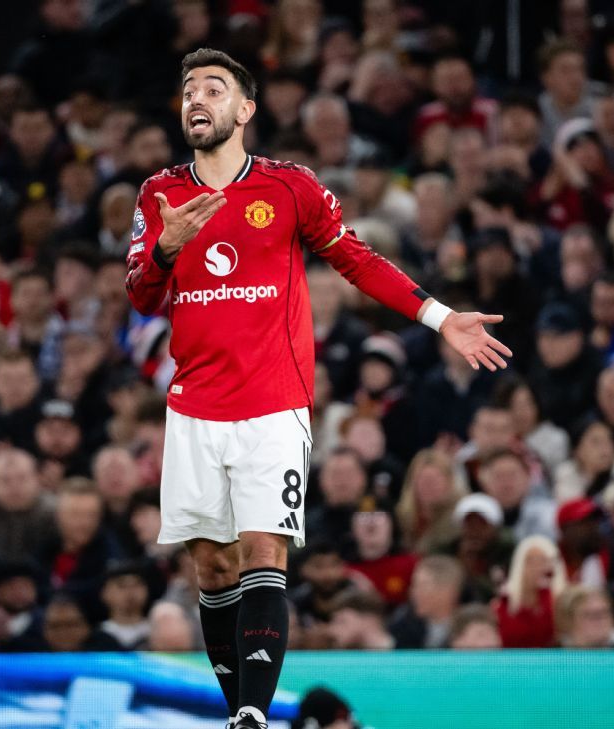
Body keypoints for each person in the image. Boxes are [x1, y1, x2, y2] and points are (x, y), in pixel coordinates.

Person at [124, 49, 511, 729]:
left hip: (274, 402)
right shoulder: (160, 193)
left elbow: (356, 259)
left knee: (263, 552)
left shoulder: (289, 186)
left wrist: (440, 316)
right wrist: (164, 248)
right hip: (194, 405)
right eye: (188, 91)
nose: (197, 100)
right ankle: (238, 710)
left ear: (245, 109)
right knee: (212, 568)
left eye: (213, 89)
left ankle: (252, 712)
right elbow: (141, 296)